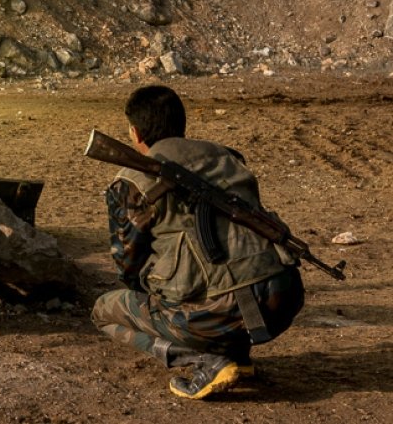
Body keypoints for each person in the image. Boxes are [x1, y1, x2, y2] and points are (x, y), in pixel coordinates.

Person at [91, 85, 304, 399]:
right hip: (282, 299)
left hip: (214, 314)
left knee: (104, 311)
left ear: (135, 133)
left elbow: (128, 264)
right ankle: (238, 358)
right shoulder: (228, 158)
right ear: (181, 125)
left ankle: (208, 360)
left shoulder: (131, 181)